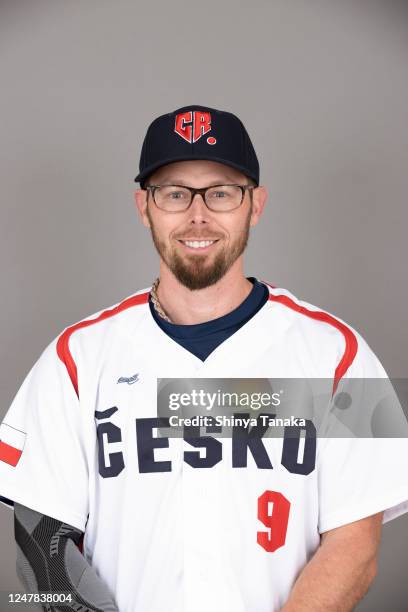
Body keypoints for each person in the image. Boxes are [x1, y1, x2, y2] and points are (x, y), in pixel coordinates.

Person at [0, 104, 407, 612]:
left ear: (255, 205)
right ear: (143, 206)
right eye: (174, 193)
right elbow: (40, 547)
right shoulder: (75, 359)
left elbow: (356, 547)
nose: (198, 215)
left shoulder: (339, 353)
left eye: (221, 192)